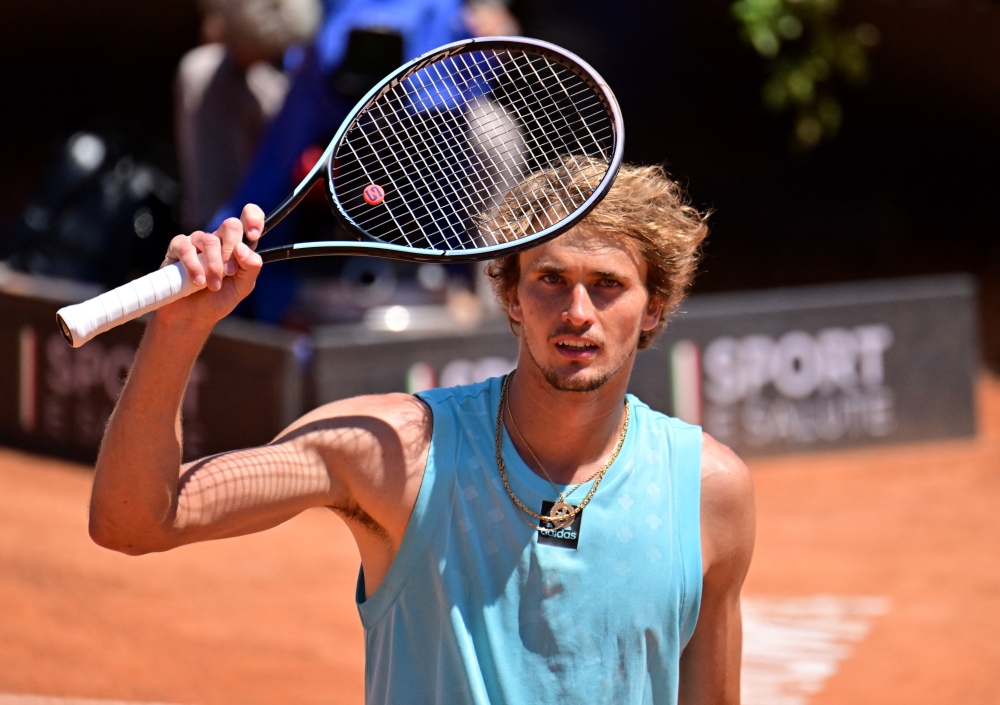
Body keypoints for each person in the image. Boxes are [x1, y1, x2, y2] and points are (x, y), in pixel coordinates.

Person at [88, 164, 755, 704]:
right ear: (514, 298)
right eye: (551, 279)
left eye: (607, 285)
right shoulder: (395, 451)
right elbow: (135, 521)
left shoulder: (706, 490)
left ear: (653, 309)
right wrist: (178, 333)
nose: (577, 311)